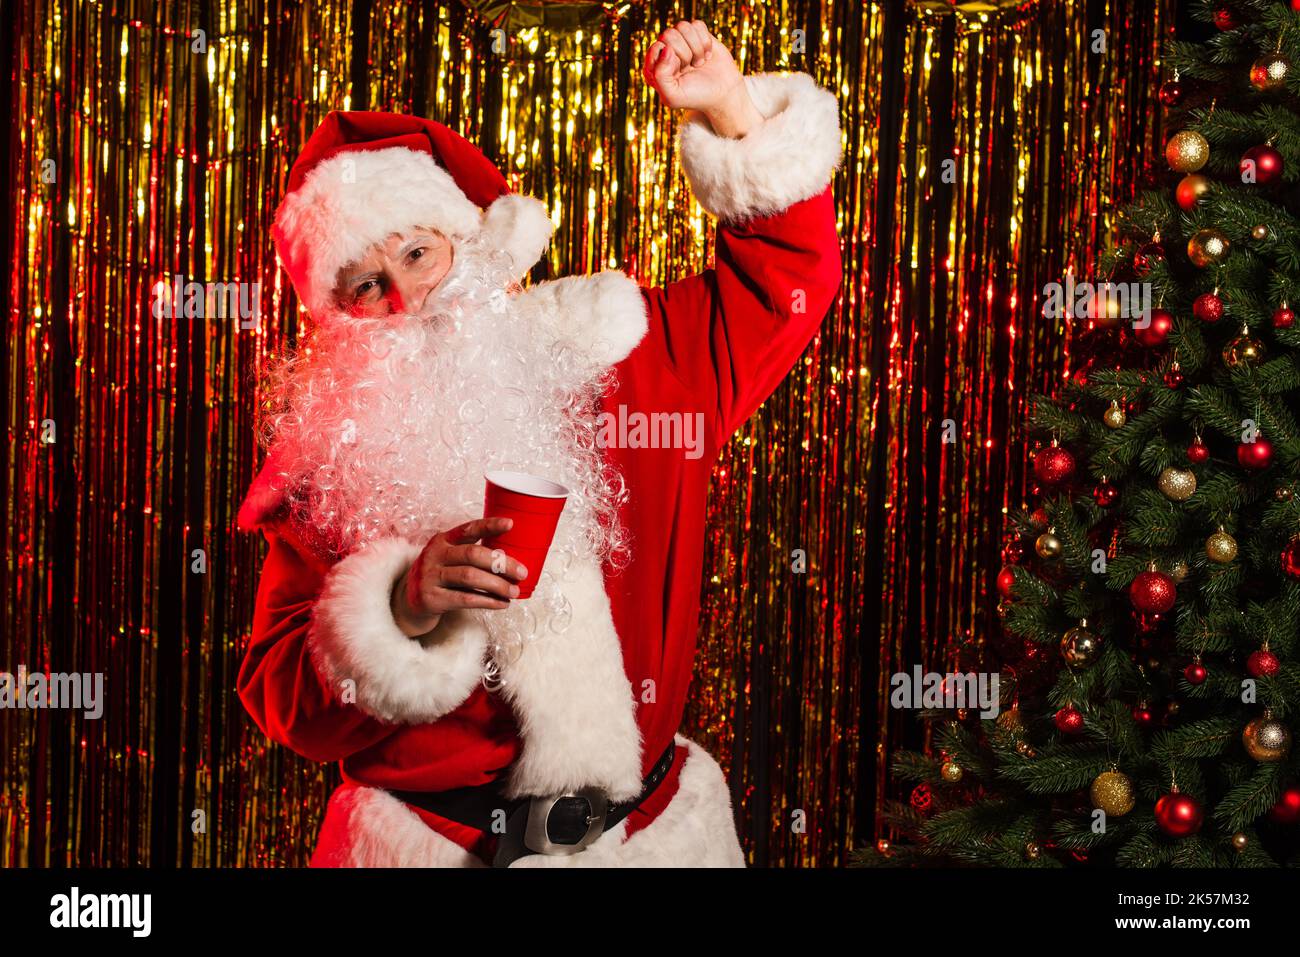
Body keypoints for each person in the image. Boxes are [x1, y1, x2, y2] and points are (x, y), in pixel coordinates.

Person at [237, 19, 843, 867]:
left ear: (473, 243)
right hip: (436, 846)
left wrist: (733, 110)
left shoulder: (630, 358)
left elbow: (785, 278)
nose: (406, 298)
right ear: (337, 315)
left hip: (651, 840)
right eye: (368, 284)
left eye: (419, 251)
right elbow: (283, 700)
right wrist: (401, 608)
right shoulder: (333, 464)